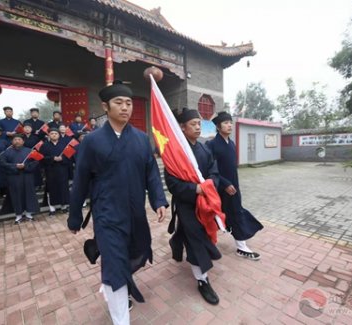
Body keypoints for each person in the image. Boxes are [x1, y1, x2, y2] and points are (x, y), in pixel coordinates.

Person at [67, 81, 168, 325]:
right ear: (105, 106)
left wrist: (158, 200)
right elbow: (80, 179)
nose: (125, 108)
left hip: (134, 211)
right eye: (119, 103)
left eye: (129, 103)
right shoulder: (92, 141)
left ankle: (116, 284)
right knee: (113, 265)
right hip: (107, 213)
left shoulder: (142, 139)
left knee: (135, 255)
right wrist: (75, 215)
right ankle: (120, 316)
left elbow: (151, 174)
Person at [165, 107, 221, 305]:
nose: (198, 127)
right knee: (196, 240)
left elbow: (214, 171)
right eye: (193, 124)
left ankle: (177, 241)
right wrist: (194, 189)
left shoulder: (205, 148)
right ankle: (202, 280)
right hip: (187, 204)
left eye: (199, 124)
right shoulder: (175, 153)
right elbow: (172, 183)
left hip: (205, 202)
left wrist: (209, 185)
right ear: (182, 127)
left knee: (198, 234)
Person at [206, 111, 263, 260]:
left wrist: (234, 185)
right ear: (218, 127)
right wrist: (225, 184)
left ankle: (241, 247)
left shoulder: (231, 144)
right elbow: (211, 169)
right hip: (219, 188)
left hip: (233, 189)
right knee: (213, 216)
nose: (229, 125)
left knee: (236, 214)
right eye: (225, 123)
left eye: (230, 122)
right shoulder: (211, 145)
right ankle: (204, 243)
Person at [0, 134, 40, 224]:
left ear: (23, 141)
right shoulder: (6, 152)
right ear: (12, 141)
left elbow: (35, 162)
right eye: (15, 139)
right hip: (14, 177)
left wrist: (25, 166)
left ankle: (29, 214)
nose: (17, 141)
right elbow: (3, 164)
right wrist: (15, 166)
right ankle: (18, 215)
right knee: (16, 196)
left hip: (27, 176)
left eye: (19, 139)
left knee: (29, 194)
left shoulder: (30, 151)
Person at [40, 128, 70, 215]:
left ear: (59, 135)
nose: (54, 135)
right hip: (50, 170)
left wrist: (62, 158)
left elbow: (69, 156)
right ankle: (52, 209)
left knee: (63, 188)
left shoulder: (64, 145)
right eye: (52, 133)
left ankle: (63, 206)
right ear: (49, 135)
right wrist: (53, 158)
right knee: (51, 189)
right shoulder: (44, 145)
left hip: (62, 170)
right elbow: (42, 158)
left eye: (56, 133)